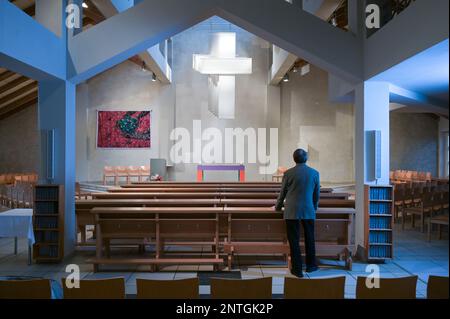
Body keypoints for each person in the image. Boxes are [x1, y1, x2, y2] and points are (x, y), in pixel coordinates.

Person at [274, 148, 320, 278]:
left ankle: (297, 269)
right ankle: (311, 266)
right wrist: (314, 207)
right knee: (310, 238)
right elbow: (316, 194)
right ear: (306, 158)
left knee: (294, 240)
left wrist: (277, 207)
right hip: (308, 209)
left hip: (292, 210)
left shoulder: (288, 173)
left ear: (294, 159)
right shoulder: (314, 173)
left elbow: (282, 193)